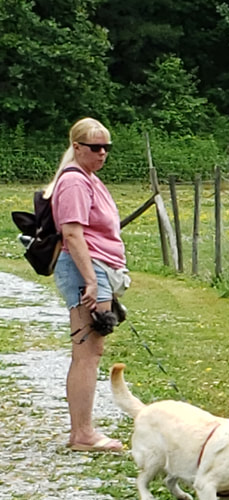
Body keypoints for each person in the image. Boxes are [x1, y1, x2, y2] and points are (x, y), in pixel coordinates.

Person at [46, 117, 129, 452]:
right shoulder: (75, 183)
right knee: (87, 352)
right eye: (95, 147)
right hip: (86, 270)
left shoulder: (89, 179)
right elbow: (72, 234)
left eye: (106, 147)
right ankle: (82, 433)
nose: (102, 153)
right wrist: (92, 282)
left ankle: (83, 429)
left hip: (96, 268)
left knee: (92, 350)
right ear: (77, 147)